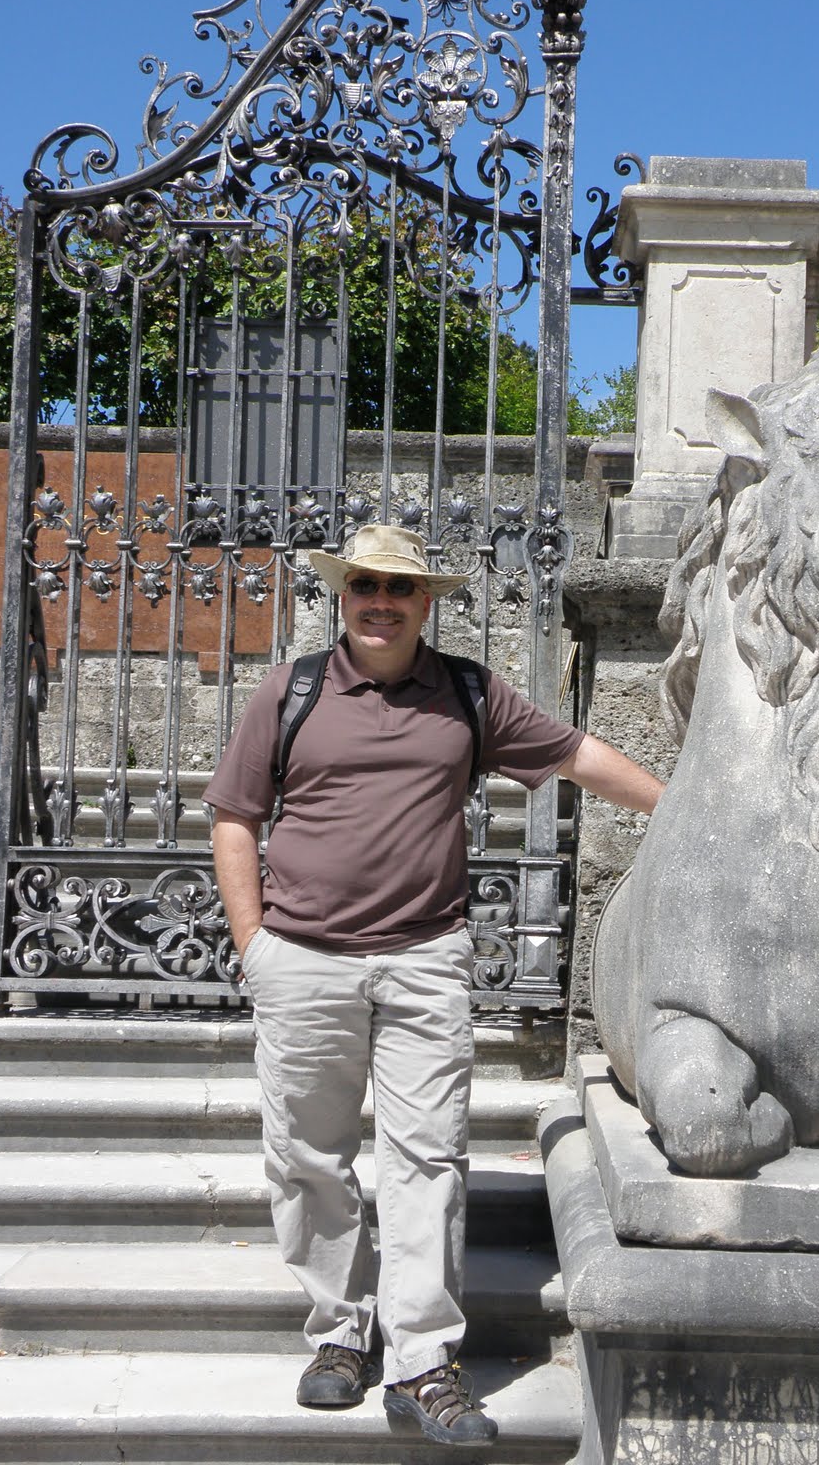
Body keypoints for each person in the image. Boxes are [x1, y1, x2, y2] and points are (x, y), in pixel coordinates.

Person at [207, 523, 663, 1446]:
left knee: (427, 1158)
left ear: (426, 602)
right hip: (304, 960)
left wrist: (681, 808)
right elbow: (234, 817)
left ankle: (421, 1361)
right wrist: (255, 945)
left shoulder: (469, 694)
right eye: (365, 585)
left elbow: (576, 755)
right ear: (343, 594)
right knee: (308, 1157)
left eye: (399, 588)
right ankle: (339, 1334)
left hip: (423, 961)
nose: (380, 602)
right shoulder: (292, 691)